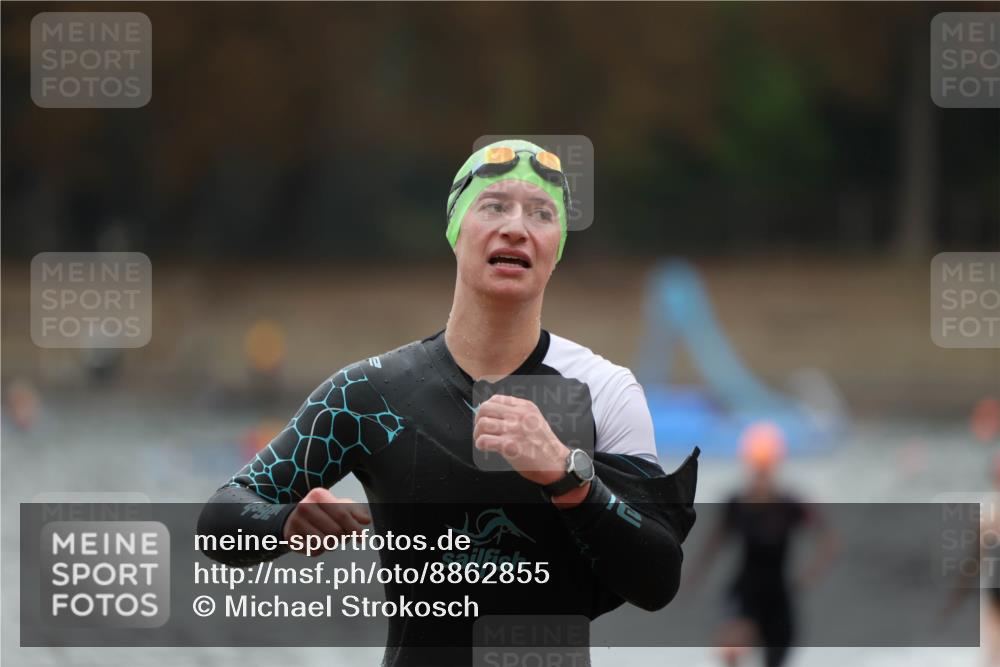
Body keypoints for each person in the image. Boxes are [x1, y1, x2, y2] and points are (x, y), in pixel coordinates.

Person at [197, 139, 700, 666]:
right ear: (456, 229)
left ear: (556, 249)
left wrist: (569, 478)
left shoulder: (605, 392)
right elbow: (219, 520)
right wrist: (283, 524)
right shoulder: (371, 392)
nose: (516, 227)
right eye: (494, 206)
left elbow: (657, 578)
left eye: (541, 213)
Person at [688, 422, 837, 667]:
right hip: (744, 593)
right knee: (732, 647)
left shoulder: (790, 505)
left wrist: (810, 575)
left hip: (778, 597)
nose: (761, 477)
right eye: (757, 470)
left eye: (765, 471)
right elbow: (714, 544)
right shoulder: (736, 504)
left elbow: (827, 538)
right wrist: (694, 576)